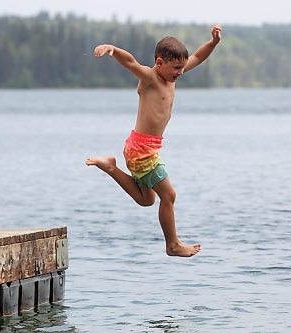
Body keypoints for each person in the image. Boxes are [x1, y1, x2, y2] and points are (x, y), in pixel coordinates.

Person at [86, 25, 222, 257]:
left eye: (182, 67)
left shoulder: (172, 75)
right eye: (176, 68)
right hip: (141, 150)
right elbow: (131, 62)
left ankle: (110, 167)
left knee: (147, 199)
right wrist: (113, 49)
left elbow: (199, 56)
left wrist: (214, 43)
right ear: (159, 63)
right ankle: (173, 245)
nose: (180, 73)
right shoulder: (150, 77)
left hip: (144, 148)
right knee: (168, 196)